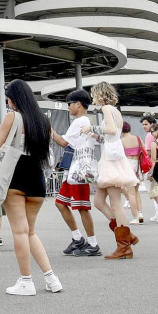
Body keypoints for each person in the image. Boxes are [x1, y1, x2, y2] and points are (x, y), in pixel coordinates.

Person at [0, 80, 61, 295]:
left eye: (9, 98)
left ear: (14, 99)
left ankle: (26, 281)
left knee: (19, 232)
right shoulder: (43, 120)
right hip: (37, 180)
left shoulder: (12, 117)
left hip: (15, 178)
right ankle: (51, 278)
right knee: (30, 232)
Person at [89, 86, 138, 259]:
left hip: (110, 160)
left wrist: (92, 129)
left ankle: (124, 245)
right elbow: (113, 134)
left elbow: (110, 130)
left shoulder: (106, 108)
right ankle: (126, 236)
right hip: (112, 157)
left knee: (115, 202)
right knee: (98, 201)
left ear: (99, 94)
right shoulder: (115, 110)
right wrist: (97, 136)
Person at [49, 89, 100, 257]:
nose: (68, 107)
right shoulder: (85, 120)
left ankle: (92, 243)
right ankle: (78, 238)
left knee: (82, 207)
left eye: (69, 104)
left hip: (77, 172)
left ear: (78, 104)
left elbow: (64, 142)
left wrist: (50, 131)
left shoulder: (80, 121)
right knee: (61, 203)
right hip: (74, 171)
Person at [123, 123, 146, 224]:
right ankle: (140, 213)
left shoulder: (121, 141)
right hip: (138, 166)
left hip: (128, 166)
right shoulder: (138, 138)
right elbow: (144, 150)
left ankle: (135, 217)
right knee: (136, 192)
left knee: (130, 193)